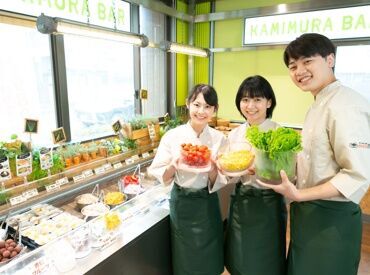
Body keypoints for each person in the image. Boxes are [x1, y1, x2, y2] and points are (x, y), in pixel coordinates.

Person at [258, 33, 370, 275]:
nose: (299, 71)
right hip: (307, 216)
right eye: (293, 66)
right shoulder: (318, 103)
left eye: (307, 61)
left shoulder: (347, 105)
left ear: (330, 59)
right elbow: (314, 161)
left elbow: (356, 175)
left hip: (331, 222)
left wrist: (299, 194)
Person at [148, 84, 226, 275]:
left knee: (210, 255)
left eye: (208, 106)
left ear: (214, 110)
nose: (201, 111)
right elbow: (159, 173)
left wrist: (213, 169)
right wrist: (173, 166)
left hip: (207, 204)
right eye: (197, 104)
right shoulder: (172, 137)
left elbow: (219, 180)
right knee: (185, 257)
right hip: (182, 204)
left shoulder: (219, 139)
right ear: (187, 104)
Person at [223, 75, 287, 275]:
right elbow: (229, 174)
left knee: (266, 259)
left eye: (257, 99)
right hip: (241, 201)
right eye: (245, 100)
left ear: (269, 102)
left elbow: (288, 176)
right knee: (239, 256)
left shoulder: (279, 133)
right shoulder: (234, 134)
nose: (250, 106)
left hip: (269, 204)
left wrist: (261, 169)